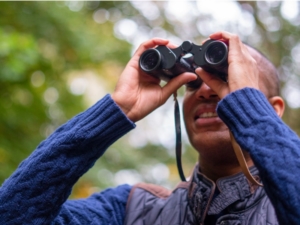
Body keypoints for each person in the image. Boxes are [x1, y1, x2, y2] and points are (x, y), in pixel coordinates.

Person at [0, 31, 299, 225]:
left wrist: (248, 109)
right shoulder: (132, 210)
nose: (206, 91)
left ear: (272, 110)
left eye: (226, 80)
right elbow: (11, 217)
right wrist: (115, 112)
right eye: (194, 83)